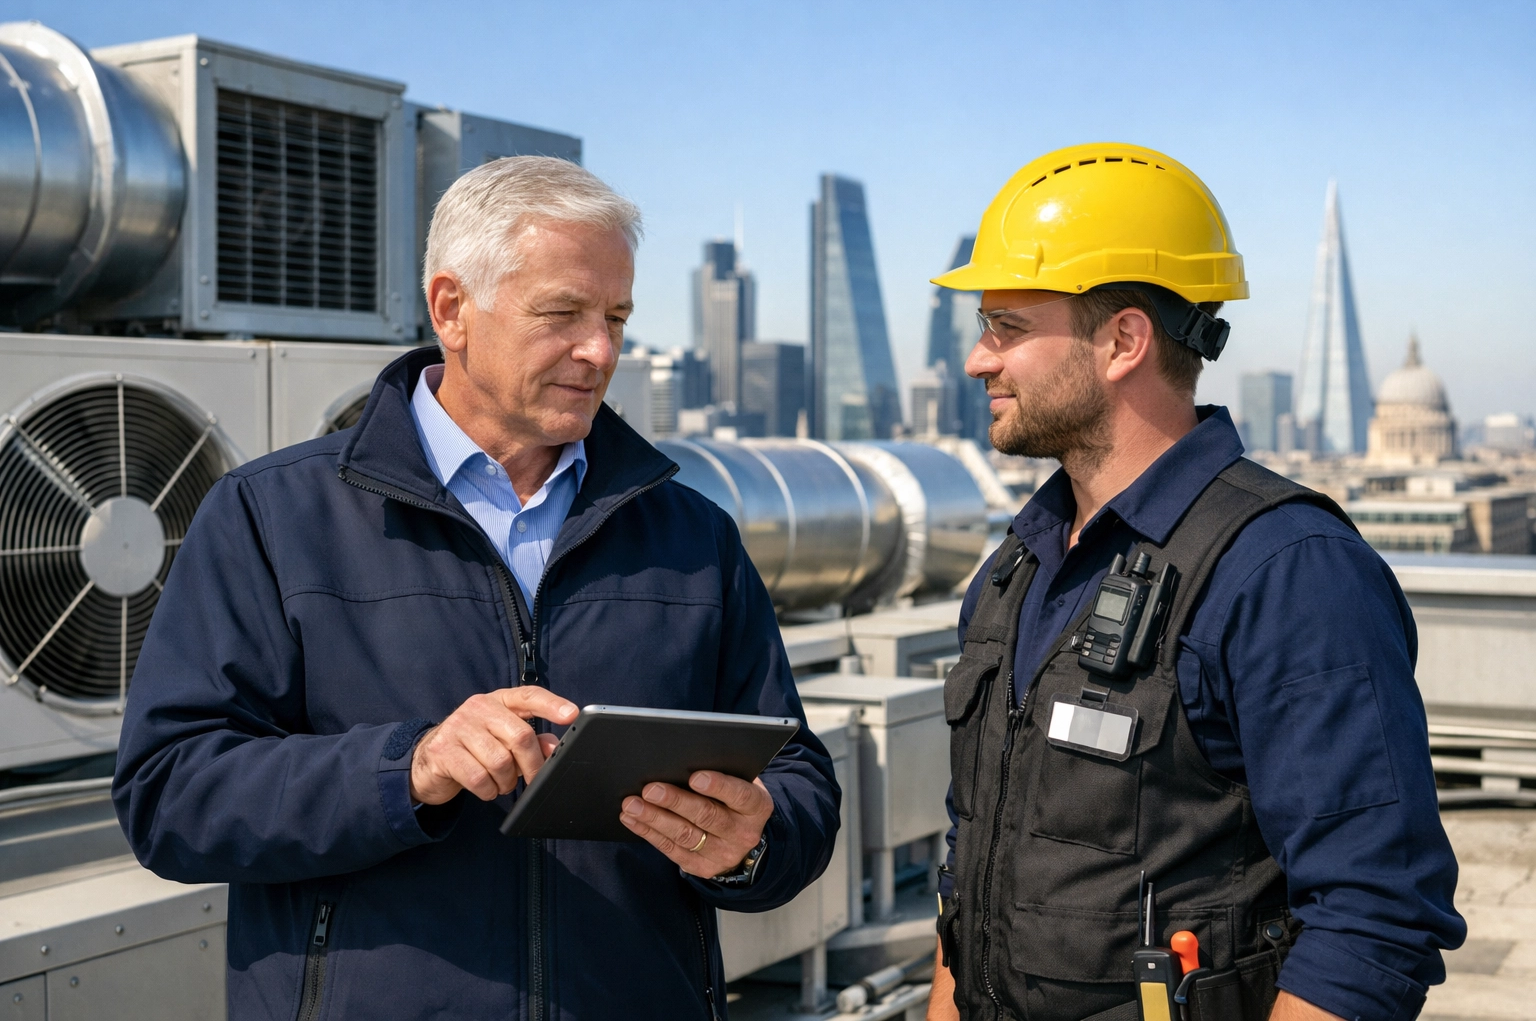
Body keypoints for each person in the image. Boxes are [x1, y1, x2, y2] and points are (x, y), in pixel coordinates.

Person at [113, 156, 840, 1020]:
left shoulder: (694, 536)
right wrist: (409, 767)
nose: (601, 350)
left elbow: (797, 775)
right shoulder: (270, 516)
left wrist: (752, 842)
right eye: (563, 314)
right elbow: (169, 795)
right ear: (451, 309)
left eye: (616, 317)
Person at [924, 143, 1463, 1021]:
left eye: (1007, 327)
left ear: (1123, 342)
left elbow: (1373, 921)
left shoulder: (1287, 573)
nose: (979, 360)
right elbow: (967, 870)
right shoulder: (1015, 572)